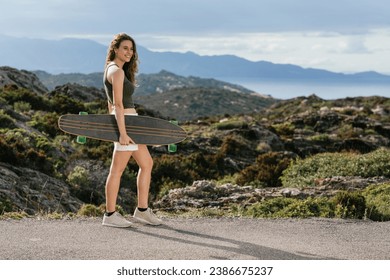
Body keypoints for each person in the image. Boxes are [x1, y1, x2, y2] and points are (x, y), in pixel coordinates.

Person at [101, 33, 162, 227]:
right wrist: (122, 134)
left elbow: (110, 104)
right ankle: (110, 214)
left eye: (131, 49)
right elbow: (118, 105)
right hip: (125, 125)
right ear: (115, 49)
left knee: (147, 163)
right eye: (125, 48)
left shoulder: (114, 69)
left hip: (129, 123)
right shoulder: (116, 72)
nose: (129, 52)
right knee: (117, 170)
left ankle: (142, 211)